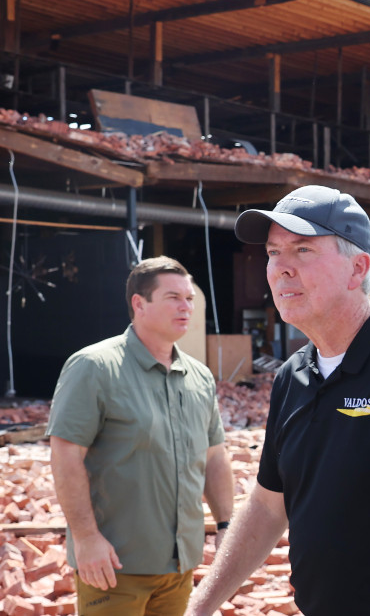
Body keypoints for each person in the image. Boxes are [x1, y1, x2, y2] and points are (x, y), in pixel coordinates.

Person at [184, 185, 370, 616]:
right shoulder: (292, 377)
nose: (280, 268)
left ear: (357, 268)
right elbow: (269, 507)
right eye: (272, 252)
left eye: (302, 250)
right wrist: (200, 607)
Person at [47, 256, 233, 616]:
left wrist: (226, 525)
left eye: (190, 298)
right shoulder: (94, 368)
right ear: (139, 304)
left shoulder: (199, 377)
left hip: (180, 565)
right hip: (114, 567)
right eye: (173, 297)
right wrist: (86, 539)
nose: (185, 306)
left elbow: (214, 456)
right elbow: (66, 455)